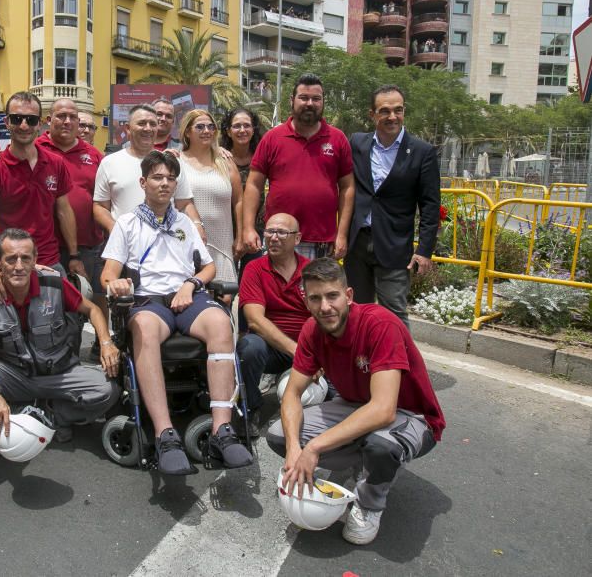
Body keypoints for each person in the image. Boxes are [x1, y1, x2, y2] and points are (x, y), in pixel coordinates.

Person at [268, 258, 444, 545]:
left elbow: (384, 410)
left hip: (410, 415)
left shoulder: (380, 324)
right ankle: (363, 459)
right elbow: (291, 395)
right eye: (315, 298)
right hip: (355, 405)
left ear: (348, 296)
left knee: (381, 445)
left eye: (332, 296)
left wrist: (313, 448)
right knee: (278, 435)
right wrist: (293, 450)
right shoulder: (312, 330)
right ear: (306, 302)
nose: (325, 307)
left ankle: (370, 504)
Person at [101, 151, 253, 475]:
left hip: (187, 297)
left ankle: (222, 430)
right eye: (158, 177)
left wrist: (191, 283)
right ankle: (164, 433)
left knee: (220, 323)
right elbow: (108, 274)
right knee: (143, 327)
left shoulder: (184, 222)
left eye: (171, 178)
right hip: (149, 301)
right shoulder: (127, 224)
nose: (165, 183)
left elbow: (209, 266)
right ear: (143, 182)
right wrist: (116, 285)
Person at [0, 228, 120, 470]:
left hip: (59, 374)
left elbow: (93, 310)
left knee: (108, 389)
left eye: (25, 258)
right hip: (16, 375)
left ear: (35, 260)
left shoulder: (54, 284)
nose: (18, 266)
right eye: (10, 259)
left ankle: (51, 414)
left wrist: (106, 343)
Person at [0, 91, 82, 303]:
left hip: (48, 261)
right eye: (16, 119)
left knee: (63, 329)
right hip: (8, 265)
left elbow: (64, 211)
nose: (23, 125)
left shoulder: (55, 164)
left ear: (39, 124)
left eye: (30, 120)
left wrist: (74, 256)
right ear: (6, 122)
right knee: (3, 331)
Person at [345, 85, 440, 325]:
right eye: (384, 111)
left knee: (394, 315)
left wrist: (424, 250)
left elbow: (430, 206)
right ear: (372, 114)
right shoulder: (357, 143)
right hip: (357, 243)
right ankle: (362, 361)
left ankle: (402, 363)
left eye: (398, 110)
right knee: (356, 310)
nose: (392, 117)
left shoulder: (422, 151)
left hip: (395, 246)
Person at [242, 73, 354, 261]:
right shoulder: (272, 138)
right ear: (292, 100)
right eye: (303, 97)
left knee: (316, 291)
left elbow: (348, 187)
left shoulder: (338, 139)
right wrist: (248, 227)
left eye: (316, 98)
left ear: (323, 102)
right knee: (279, 291)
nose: (309, 103)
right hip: (279, 239)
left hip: (322, 242)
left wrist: (341, 234)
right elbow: (254, 185)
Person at [34, 98, 109, 345]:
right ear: (49, 120)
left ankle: (79, 354)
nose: (67, 121)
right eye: (61, 116)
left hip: (87, 244)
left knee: (85, 301)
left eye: (72, 117)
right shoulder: (35, 148)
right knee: (49, 305)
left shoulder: (94, 156)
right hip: (47, 247)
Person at [236, 213, 310, 435]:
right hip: (271, 348)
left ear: (297, 239)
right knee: (249, 346)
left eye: (281, 232)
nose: (273, 237)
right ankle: (250, 406)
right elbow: (255, 321)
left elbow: (325, 317)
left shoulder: (312, 270)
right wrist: (296, 351)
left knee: (318, 395)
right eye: (269, 231)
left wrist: (315, 354)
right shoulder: (254, 268)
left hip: (307, 347)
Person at [94, 104, 205, 239]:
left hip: (166, 244)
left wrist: (198, 225)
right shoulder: (109, 162)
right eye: (142, 123)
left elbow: (185, 203)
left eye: (153, 124)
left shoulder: (170, 162)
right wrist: (114, 227)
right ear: (128, 129)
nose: (148, 128)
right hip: (126, 244)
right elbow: (100, 206)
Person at [178, 109, 242, 284]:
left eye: (210, 126)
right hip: (186, 245)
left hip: (222, 244)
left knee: (224, 299)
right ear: (187, 132)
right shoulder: (177, 161)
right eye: (200, 127)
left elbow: (239, 201)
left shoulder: (226, 162)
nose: (206, 131)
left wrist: (240, 236)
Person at [220, 108, 266, 275]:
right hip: (224, 229)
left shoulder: (261, 157)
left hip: (255, 229)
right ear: (228, 131)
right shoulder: (219, 158)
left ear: (253, 130)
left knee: (251, 279)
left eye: (247, 126)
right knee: (225, 283)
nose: (242, 130)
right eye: (236, 126)